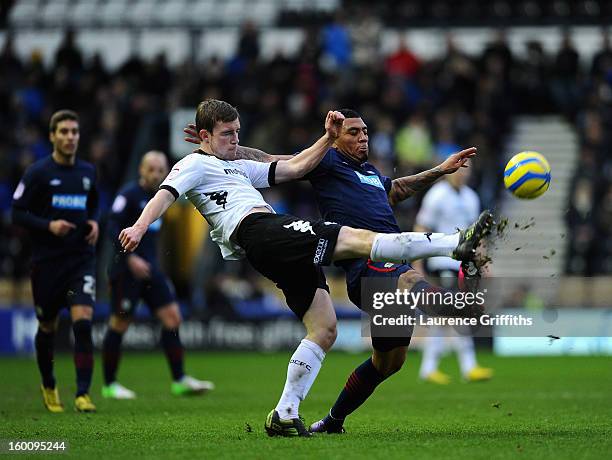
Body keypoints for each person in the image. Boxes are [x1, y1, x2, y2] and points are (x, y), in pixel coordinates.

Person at [123, 99, 488, 437]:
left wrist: (439, 170)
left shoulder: (369, 175)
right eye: (354, 133)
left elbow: (388, 188)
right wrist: (139, 226)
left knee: (353, 343)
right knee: (387, 262)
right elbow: (268, 160)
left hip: (276, 245)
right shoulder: (319, 162)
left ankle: (298, 415)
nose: (363, 138)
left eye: (365, 132)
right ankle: (457, 246)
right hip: (307, 246)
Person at [102, 151, 214, 400]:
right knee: (119, 324)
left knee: (173, 318)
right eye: (150, 169)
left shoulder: (163, 197)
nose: (155, 174)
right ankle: (109, 384)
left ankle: (179, 379)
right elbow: (111, 228)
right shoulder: (127, 195)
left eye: (160, 169)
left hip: (152, 269)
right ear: (141, 170)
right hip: (126, 270)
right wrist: (130, 258)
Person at [12, 110, 99, 413]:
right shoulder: (37, 173)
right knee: (47, 325)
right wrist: (48, 226)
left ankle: (83, 393)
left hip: (80, 260)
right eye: (63, 132)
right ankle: (49, 384)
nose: (70, 137)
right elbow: (17, 212)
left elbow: (93, 206)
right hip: (48, 263)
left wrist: (94, 223)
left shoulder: (88, 172)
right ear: (52, 136)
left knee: (84, 323)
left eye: (74, 131)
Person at [414, 163, 494, 384]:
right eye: (459, 169)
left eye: (466, 169)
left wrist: (483, 261)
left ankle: (430, 368)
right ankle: (467, 366)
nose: (463, 173)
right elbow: (421, 228)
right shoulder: (436, 195)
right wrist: (418, 263)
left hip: (463, 263)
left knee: (445, 315)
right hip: (441, 260)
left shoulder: (471, 197)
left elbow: (477, 234)